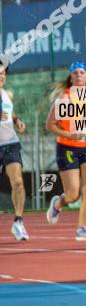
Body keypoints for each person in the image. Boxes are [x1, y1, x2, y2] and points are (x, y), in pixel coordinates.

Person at [45, 62, 86, 241]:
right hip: (67, 147)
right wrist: (69, 134)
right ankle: (58, 203)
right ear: (71, 78)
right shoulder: (64, 99)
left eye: (82, 73)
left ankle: (82, 228)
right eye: (75, 73)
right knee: (73, 193)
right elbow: (50, 125)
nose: (78, 76)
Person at [0, 66, 28, 241]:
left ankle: (18, 222)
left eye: (3, 73)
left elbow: (10, 111)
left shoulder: (7, 94)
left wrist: (17, 120)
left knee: (18, 182)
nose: (1, 76)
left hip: (10, 143)